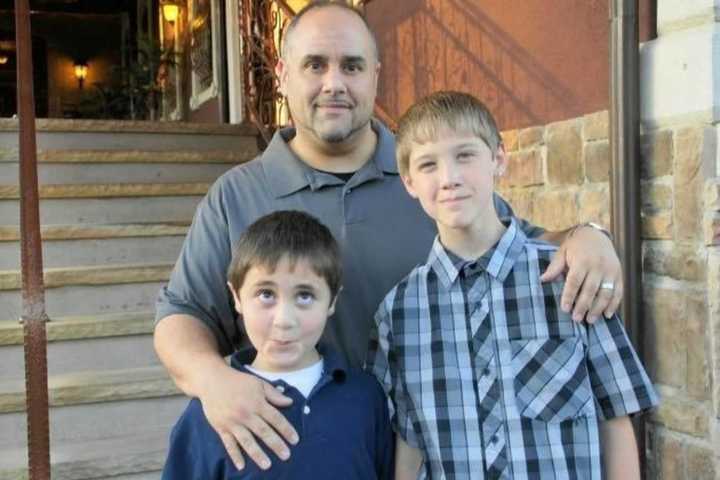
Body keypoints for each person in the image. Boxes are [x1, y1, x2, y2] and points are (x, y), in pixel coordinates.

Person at [154, 1, 624, 471]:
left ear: (375, 76)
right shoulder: (236, 195)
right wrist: (213, 381)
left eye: (352, 66)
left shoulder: (428, 179)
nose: (334, 83)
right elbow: (183, 314)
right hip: (290, 449)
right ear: (282, 74)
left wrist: (589, 234)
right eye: (315, 64)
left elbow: (520, 242)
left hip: (423, 453)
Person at [366, 91, 659, 479]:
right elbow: (409, 442)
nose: (449, 178)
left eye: (465, 155)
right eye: (428, 164)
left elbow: (616, 420)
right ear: (408, 182)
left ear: (498, 159)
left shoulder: (567, 279)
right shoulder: (399, 311)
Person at [162, 211, 393, 479]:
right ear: (236, 296)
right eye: (266, 294)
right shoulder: (210, 413)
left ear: (331, 301)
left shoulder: (366, 398)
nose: (284, 321)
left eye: (305, 296)